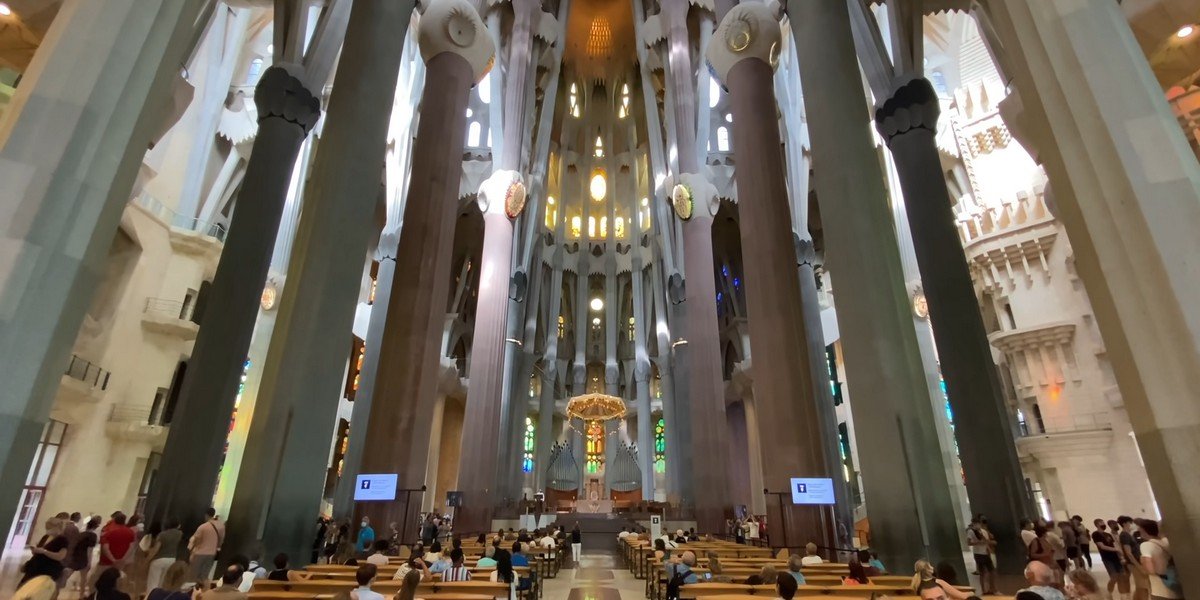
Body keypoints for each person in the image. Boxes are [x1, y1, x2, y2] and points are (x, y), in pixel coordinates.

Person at [1136, 519, 1181, 600]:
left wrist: (1142, 561)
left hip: (1160, 590)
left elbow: (1150, 570)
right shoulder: (1167, 541)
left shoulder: (1146, 545)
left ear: (1144, 531)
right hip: (1177, 586)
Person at [21, 517, 69, 588]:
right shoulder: (46, 537)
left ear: (57, 528)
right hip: (36, 566)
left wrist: (44, 552)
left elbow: (60, 556)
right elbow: (39, 551)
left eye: (50, 528)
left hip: (48, 569)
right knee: (23, 587)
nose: (48, 530)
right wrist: (35, 550)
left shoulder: (62, 540)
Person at [95, 512, 136, 588]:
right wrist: (123, 559)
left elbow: (105, 548)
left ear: (114, 520)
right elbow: (131, 547)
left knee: (101, 581)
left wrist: (113, 560)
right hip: (121, 563)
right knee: (116, 583)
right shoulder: (130, 532)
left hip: (106, 562)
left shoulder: (108, 531)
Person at [1094, 518, 1129, 599]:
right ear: (1097, 524)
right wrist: (1116, 549)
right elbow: (1102, 546)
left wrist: (1120, 554)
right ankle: (1109, 592)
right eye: (1101, 523)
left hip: (1115, 557)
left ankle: (1122, 595)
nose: (1103, 524)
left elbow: (1114, 545)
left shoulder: (1108, 535)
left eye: (1103, 522)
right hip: (1107, 558)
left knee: (1121, 576)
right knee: (1114, 577)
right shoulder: (1096, 534)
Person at [189, 508, 224, 587]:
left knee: (193, 576)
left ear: (206, 515)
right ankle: (202, 592)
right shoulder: (221, 526)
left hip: (199, 553)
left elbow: (196, 540)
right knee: (204, 575)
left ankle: (192, 593)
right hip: (212, 553)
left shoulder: (203, 527)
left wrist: (192, 551)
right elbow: (221, 540)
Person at [1119, 516, 1150, 600]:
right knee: (1143, 587)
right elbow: (1128, 553)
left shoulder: (1128, 534)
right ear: (1124, 523)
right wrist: (1139, 567)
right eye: (1130, 522)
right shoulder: (1124, 535)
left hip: (1136, 562)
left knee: (1140, 587)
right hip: (1134, 564)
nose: (1132, 525)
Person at [146, 518, 181, 591]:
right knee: (161, 583)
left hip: (159, 559)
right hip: (171, 559)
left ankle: (151, 596)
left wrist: (147, 559)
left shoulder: (162, 535)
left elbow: (156, 549)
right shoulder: (179, 534)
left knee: (153, 582)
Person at [70, 516, 101, 594]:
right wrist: (89, 562)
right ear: (96, 526)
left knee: (70, 573)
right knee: (83, 578)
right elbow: (89, 550)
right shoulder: (93, 536)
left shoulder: (81, 534)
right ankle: (81, 595)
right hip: (84, 557)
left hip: (76, 556)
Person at [968, 517, 997, 594]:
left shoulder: (983, 531)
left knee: (991, 571)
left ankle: (992, 588)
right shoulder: (971, 532)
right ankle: (984, 590)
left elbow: (987, 541)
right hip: (978, 554)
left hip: (985, 553)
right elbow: (969, 542)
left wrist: (989, 548)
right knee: (982, 572)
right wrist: (980, 543)